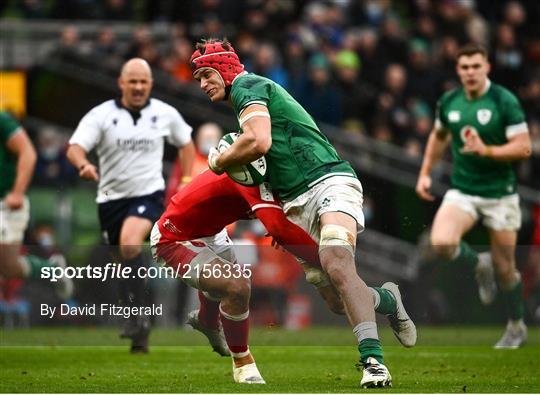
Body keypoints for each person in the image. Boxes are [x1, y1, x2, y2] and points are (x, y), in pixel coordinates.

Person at [190, 38, 416, 387]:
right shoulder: (243, 101)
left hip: (329, 181)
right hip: (295, 203)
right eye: (197, 78)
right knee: (337, 299)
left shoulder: (248, 86)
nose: (202, 84)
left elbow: (259, 142)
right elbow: (269, 159)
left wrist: (220, 159)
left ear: (224, 69)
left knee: (338, 262)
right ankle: (386, 298)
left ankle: (374, 362)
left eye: (206, 74)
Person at [151, 169, 413, 384]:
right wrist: (326, 259)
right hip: (174, 237)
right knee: (237, 286)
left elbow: (279, 223)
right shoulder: (251, 169)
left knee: (336, 301)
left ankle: (388, 299)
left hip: (213, 232)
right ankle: (243, 363)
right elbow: (278, 226)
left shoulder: (279, 174)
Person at [67, 58, 195, 353]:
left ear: (150, 84)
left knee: (128, 245)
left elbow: (185, 143)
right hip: (110, 200)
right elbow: (75, 147)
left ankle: (136, 317)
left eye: (143, 82)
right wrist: (83, 165)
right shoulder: (101, 115)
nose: (138, 87)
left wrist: (186, 178)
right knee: (123, 260)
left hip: (148, 196)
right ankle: (139, 326)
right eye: (133, 81)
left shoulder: (165, 114)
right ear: (121, 83)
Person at [416, 43, 532, 348]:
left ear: (487, 67)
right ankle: (480, 263)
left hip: (500, 194)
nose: (470, 72)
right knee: (441, 242)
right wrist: (425, 171)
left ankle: (516, 326)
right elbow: (438, 137)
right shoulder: (450, 101)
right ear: (458, 70)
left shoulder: (504, 100)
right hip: (464, 190)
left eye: (475, 66)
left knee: (506, 270)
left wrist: (488, 150)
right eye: (464, 67)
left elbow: (524, 147)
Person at [0, 111, 73, 298]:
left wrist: (16, 193)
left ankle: (52, 270)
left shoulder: (3, 121)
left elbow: (28, 153)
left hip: (6, 205)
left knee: (9, 267)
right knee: (8, 267)